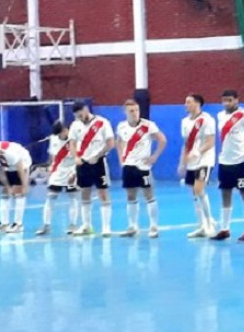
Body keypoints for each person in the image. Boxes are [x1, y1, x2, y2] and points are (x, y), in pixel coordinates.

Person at [214, 89, 244, 243]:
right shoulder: (220, 116)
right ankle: (224, 229)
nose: (226, 103)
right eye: (224, 100)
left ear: (236, 100)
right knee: (225, 194)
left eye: (229, 100)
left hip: (241, 162)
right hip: (224, 162)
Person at [115, 98, 166, 238]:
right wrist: (121, 159)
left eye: (137, 110)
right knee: (130, 196)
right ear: (125, 112)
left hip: (143, 167)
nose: (135, 113)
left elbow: (162, 139)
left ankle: (154, 226)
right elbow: (118, 142)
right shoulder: (121, 127)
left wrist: (154, 156)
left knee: (149, 195)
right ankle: (132, 226)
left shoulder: (148, 126)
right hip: (128, 166)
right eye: (131, 111)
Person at [68, 101, 115, 237]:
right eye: (77, 116)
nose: (79, 117)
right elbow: (72, 144)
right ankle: (86, 226)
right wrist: (76, 157)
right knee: (84, 193)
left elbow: (110, 143)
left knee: (103, 193)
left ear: (86, 109)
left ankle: (106, 227)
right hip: (83, 163)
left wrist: (97, 156)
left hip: (99, 163)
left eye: (81, 114)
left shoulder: (102, 122)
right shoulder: (75, 125)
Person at [179, 94, 217, 239]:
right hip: (191, 162)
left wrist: (197, 152)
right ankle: (201, 226)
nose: (185, 105)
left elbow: (210, 141)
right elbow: (186, 144)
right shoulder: (184, 122)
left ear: (197, 103)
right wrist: (182, 162)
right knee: (194, 193)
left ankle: (209, 223)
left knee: (198, 189)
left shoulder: (207, 120)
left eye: (188, 102)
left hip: (204, 160)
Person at [36, 121, 81, 235]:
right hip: (58, 171)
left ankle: (73, 225)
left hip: (72, 171)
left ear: (66, 130)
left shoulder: (75, 140)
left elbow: (80, 156)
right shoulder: (54, 139)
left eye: (62, 132)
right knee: (50, 198)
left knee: (73, 198)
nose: (61, 135)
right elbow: (52, 157)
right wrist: (49, 169)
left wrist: (77, 172)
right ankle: (46, 225)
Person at [0, 138, 32, 233]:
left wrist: (25, 186)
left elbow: (21, 170)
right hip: (8, 165)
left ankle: (18, 224)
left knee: (19, 192)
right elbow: (1, 172)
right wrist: (7, 186)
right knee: (5, 194)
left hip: (22, 163)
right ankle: (4, 224)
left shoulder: (10, 154)